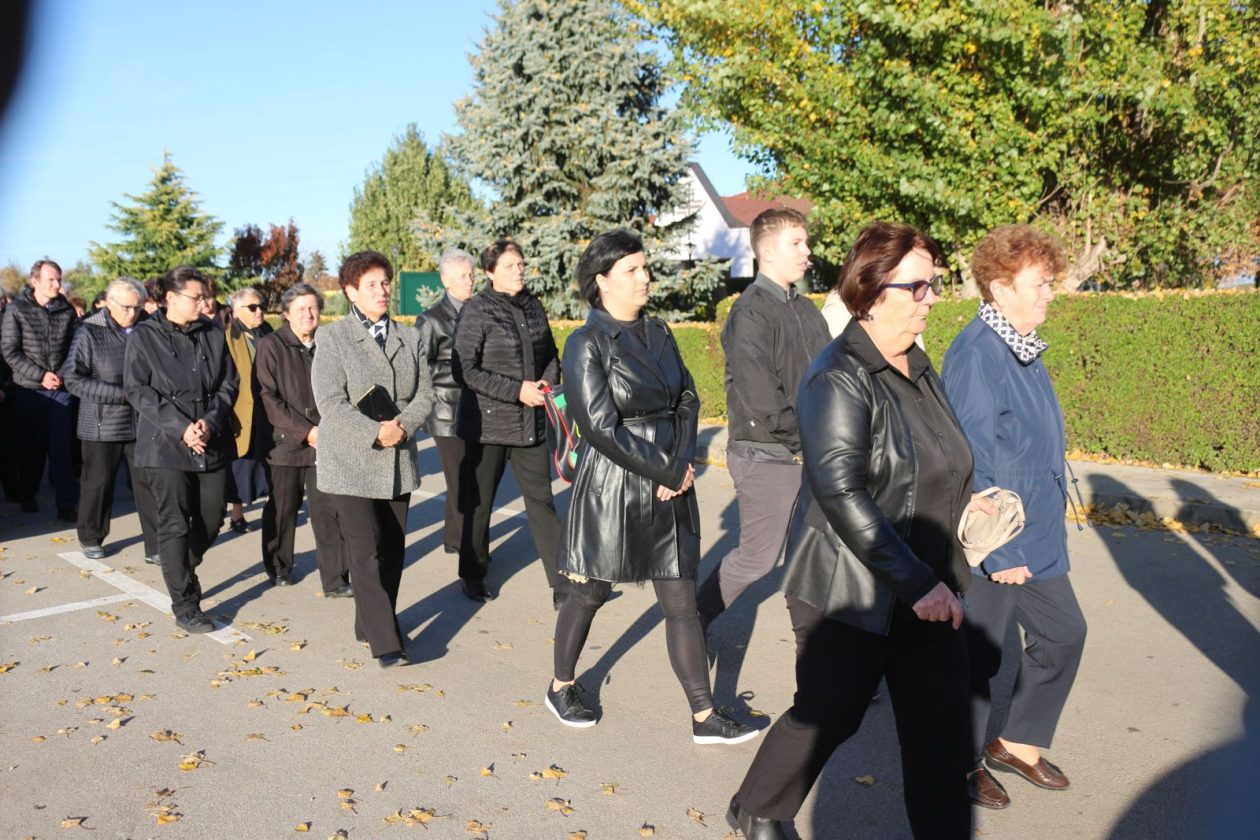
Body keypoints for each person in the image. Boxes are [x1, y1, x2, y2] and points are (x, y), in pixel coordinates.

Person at [726, 222, 994, 840]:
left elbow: (939, 452)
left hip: (931, 589)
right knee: (829, 715)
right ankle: (758, 805)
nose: (932, 297)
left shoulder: (920, 364)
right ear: (874, 293)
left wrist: (969, 499)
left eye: (934, 283)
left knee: (938, 739)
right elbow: (842, 492)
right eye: (919, 286)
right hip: (851, 589)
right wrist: (916, 583)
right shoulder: (837, 376)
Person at [543, 228, 758, 745]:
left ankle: (704, 716)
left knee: (681, 600)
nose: (645, 278)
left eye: (644, 267)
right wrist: (663, 470)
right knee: (589, 593)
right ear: (602, 282)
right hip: (615, 487)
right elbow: (598, 425)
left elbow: (687, 397)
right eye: (633, 270)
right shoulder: (586, 342)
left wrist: (682, 463)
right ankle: (561, 684)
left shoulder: (658, 331)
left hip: (671, 477)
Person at [941, 224, 1087, 809]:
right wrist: (1000, 552)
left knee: (1065, 634)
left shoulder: (1021, 342)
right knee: (978, 657)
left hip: (1040, 531)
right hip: (999, 537)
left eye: (1051, 282)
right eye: (1040, 283)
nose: (1050, 293)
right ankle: (959, 763)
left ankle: (1017, 742)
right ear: (1001, 288)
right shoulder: (978, 353)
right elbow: (972, 453)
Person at [696, 208, 830, 633]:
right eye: (797, 243)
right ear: (767, 252)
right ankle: (693, 622)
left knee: (809, 558)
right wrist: (809, 439)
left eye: (806, 242)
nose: (807, 251)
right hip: (768, 454)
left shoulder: (807, 308)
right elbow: (760, 398)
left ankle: (820, 664)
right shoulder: (750, 312)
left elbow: (830, 376)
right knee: (757, 558)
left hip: (810, 452)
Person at [311, 251, 434, 668]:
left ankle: (370, 622)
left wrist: (402, 426)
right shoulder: (332, 338)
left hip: (398, 456)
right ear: (350, 292)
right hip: (350, 461)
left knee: (393, 551)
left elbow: (427, 394)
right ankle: (386, 642)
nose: (383, 291)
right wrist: (374, 432)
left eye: (386, 283)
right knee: (364, 552)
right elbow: (330, 402)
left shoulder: (410, 337)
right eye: (372, 285)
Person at [124, 265, 238, 634]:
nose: (204, 302)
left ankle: (182, 567)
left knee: (212, 516)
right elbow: (138, 390)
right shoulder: (144, 336)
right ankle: (185, 603)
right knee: (173, 523)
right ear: (170, 298)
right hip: (164, 444)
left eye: (205, 296)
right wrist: (181, 427)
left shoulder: (212, 332)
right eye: (196, 297)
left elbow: (229, 384)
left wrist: (210, 420)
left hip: (209, 438)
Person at [452, 240, 564, 606]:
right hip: (487, 428)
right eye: (510, 265)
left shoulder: (533, 306)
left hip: (530, 424)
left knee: (542, 502)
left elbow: (550, 352)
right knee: (479, 504)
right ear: (490, 272)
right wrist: (517, 390)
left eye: (521, 264)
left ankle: (563, 582)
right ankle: (472, 573)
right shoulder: (477, 309)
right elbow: (464, 368)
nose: (519, 270)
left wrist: (547, 383)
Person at [255, 283, 349, 595]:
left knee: (330, 512)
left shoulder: (328, 343)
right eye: (300, 309)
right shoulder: (271, 345)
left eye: (312, 308)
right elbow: (268, 397)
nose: (308, 314)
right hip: (286, 444)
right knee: (283, 510)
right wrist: (305, 432)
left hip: (328, 441)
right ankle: (280, 567)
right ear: (286, 313)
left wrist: (329, 430)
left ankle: (335, 579)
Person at [61, 277, 160, 562]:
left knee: (148, 483)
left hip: (142, 421)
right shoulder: (89, 331)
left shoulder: (146, 329)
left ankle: (155, 546)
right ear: (110, 303)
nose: (132, 312)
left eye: (138, 307)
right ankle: (91, 536)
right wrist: (122, 395)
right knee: (98, 483)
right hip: (101, 423)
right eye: (127, 307)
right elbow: (74, 379)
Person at [0, 259, 78, 519]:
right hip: (28, 390)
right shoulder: (18, 310)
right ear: (35, 282)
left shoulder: (66, 311)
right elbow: (10, 351)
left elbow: (75, 348)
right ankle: (28, 492)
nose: (57, 284)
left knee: (61, 448)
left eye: (59, 279)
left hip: (60, 388)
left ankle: (66, 505)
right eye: (51, 280)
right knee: (31, 448)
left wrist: (62, 375)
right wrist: (40, 375)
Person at [416, 248, 477, 557]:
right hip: (446, 412)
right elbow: (420, 368)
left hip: (476, 410)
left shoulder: (478, 311)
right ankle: (468, 546)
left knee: (467, 481)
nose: (471, 280)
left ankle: (454, 538)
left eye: (472, 274)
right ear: (446, 281)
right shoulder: (430, 320)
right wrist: (463, 372)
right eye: (464, 276)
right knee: (461, 482)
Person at [223, 287, 273, 533]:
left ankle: (273, 508)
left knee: (269, 460)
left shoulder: (267, 331)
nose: (259, 311)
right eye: (252, 307)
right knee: (241, 464)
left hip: (268, 408)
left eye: (261, 305)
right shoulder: (228, 335)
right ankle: (237, 514)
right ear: (237, 310)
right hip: (241, 410)